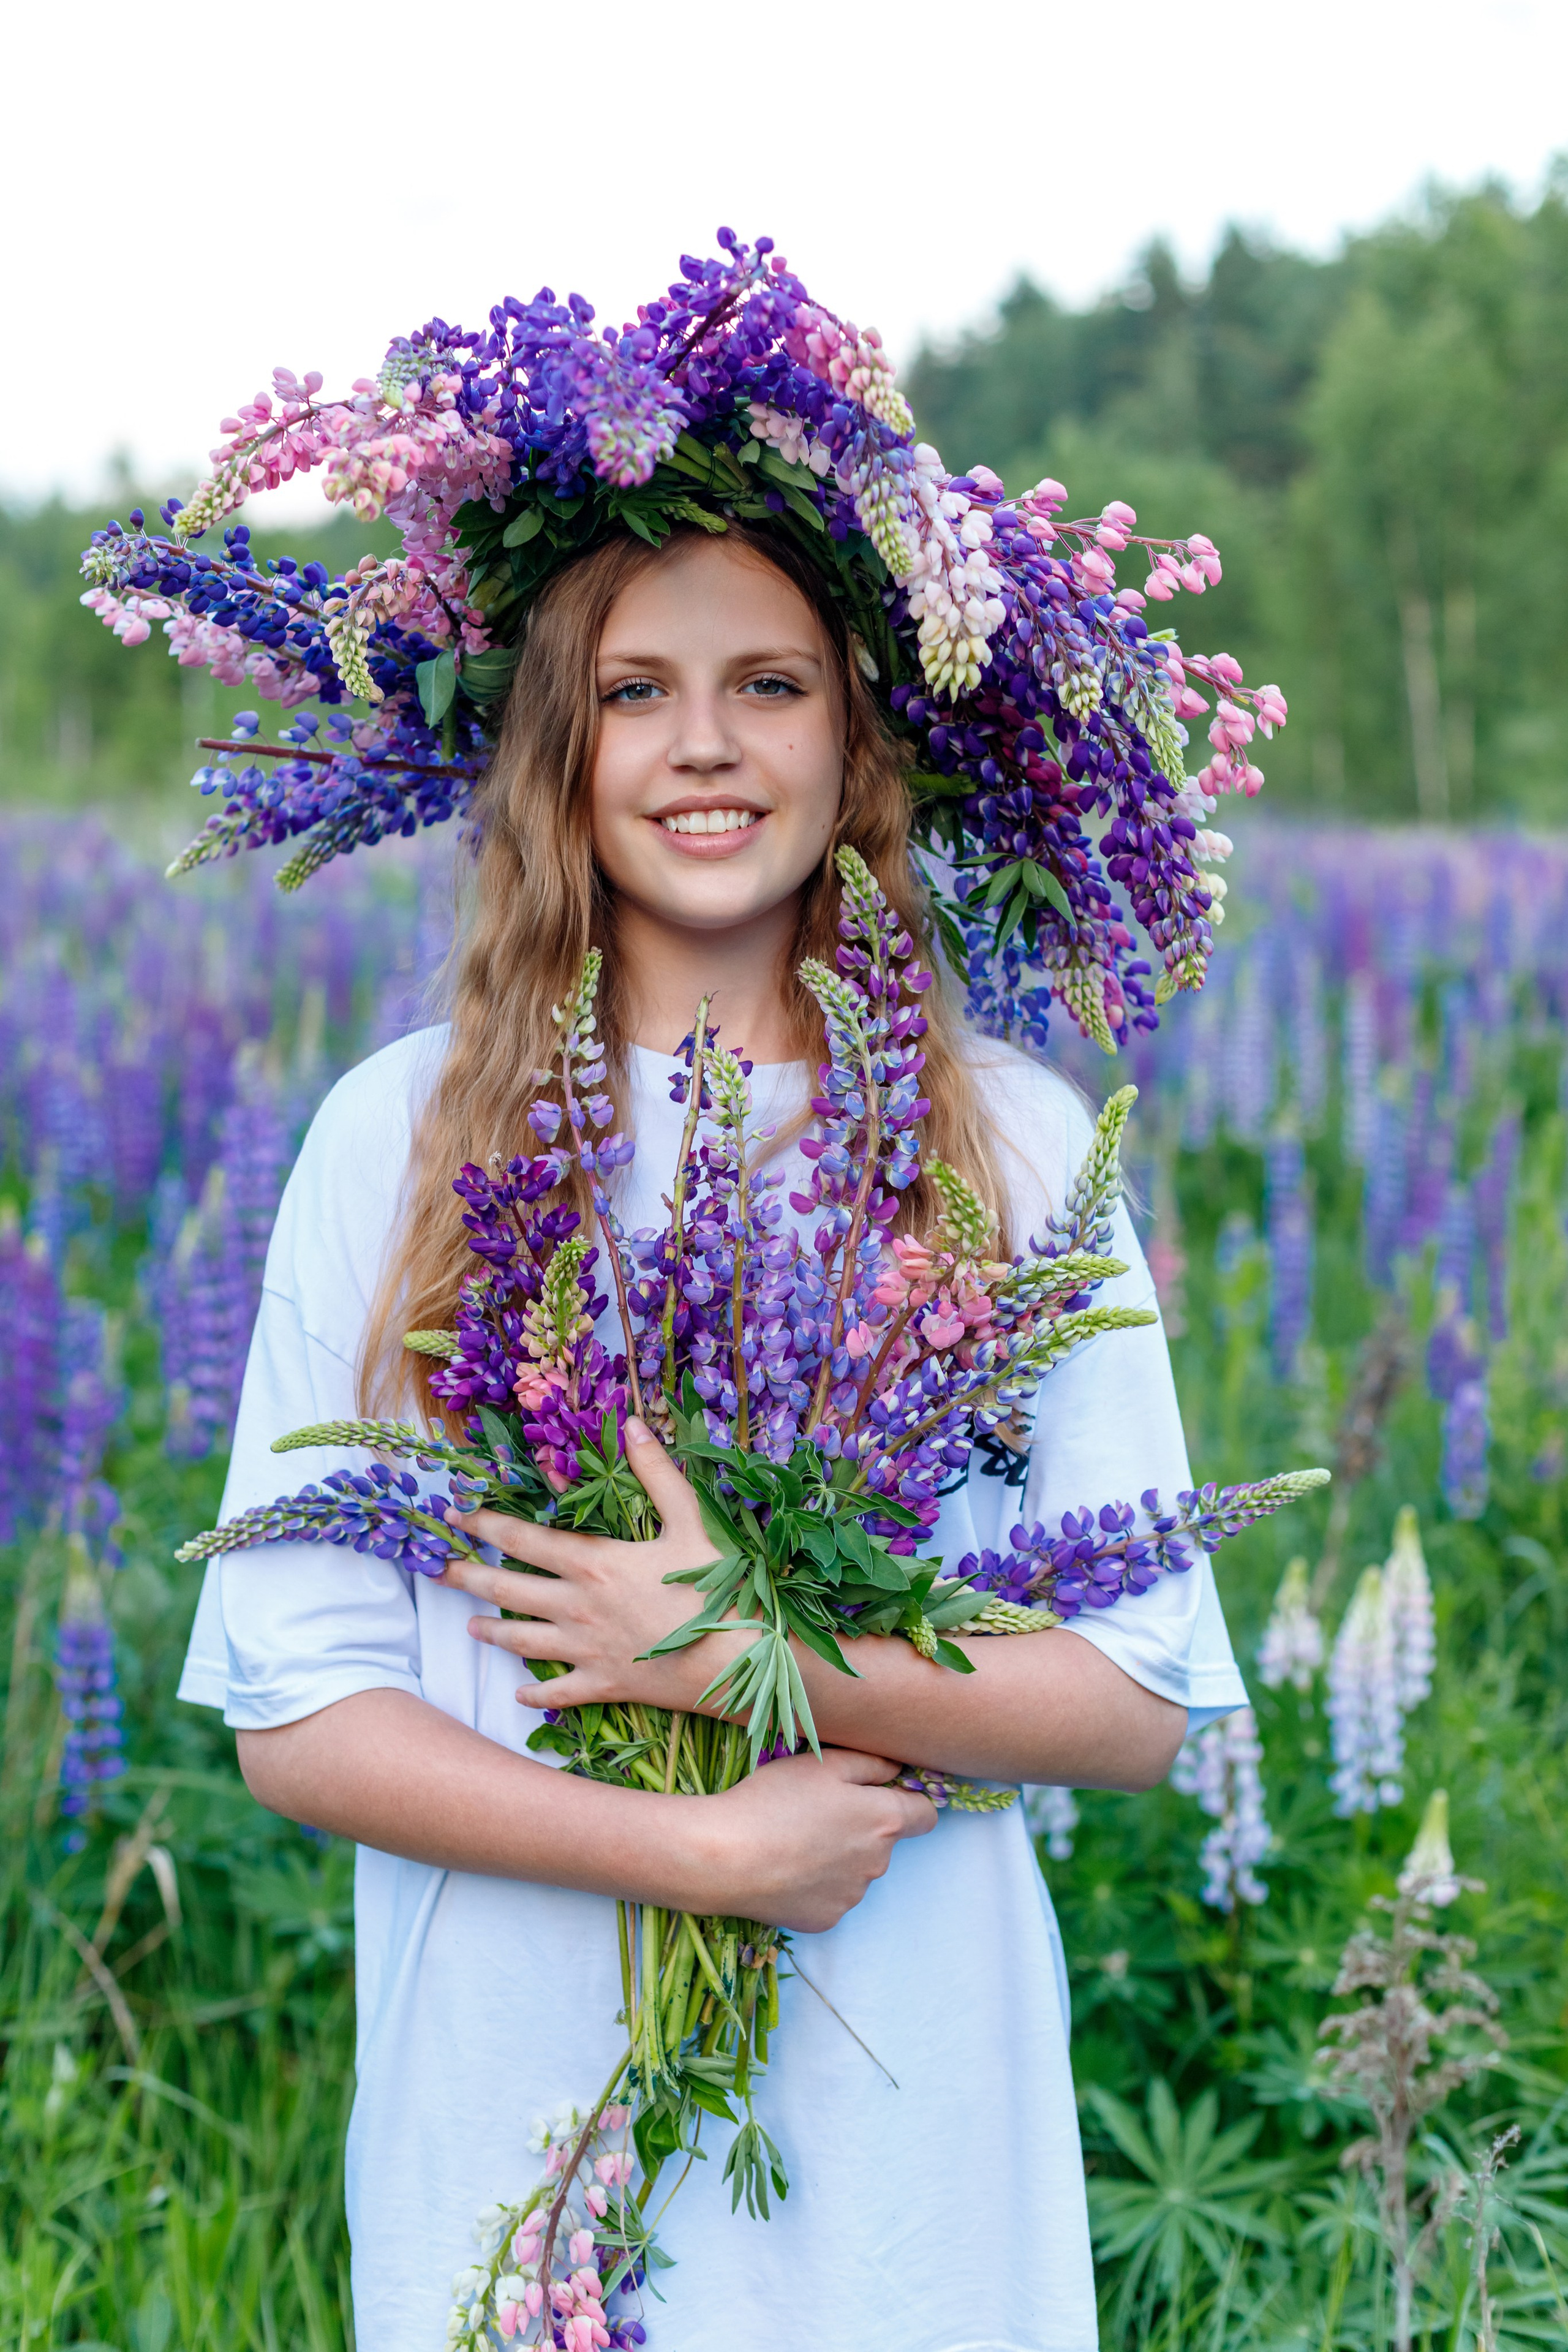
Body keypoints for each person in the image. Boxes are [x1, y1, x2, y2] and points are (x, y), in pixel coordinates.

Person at [178, 519, 1249, 2352]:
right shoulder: (404, 1135)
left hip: (912, 2088)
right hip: (520, 2085)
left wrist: (741, 1650)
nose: (704, 743)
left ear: (856, 743)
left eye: (770, 684)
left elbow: (1135, 1698)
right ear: (554, 749)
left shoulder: (1010, 1140)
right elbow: (298, 1709)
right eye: (632, 691)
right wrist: (699, 1855)